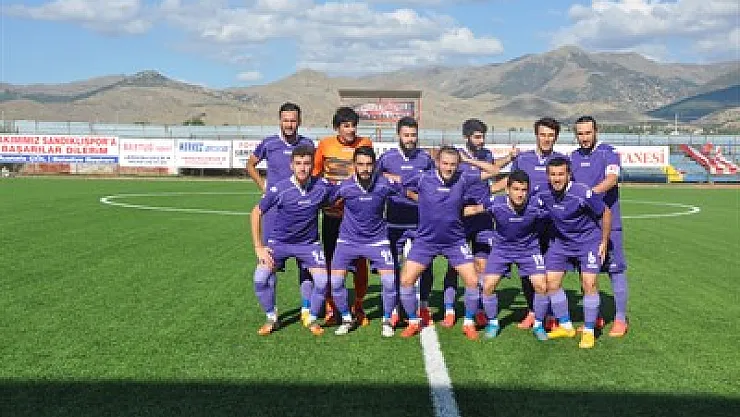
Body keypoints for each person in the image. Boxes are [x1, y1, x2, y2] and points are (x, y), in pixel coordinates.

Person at [398, 146, 502, 341]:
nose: (449, 168)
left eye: (453, 164)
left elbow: (494, 171)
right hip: (426, 240)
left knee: (472, 281)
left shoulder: (463, 177)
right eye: (445, 163)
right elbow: (400, 183)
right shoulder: (423, 178)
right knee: (406, 281)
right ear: (437, 163)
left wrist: (468, 161)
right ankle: (413, 321)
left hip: (454, 241)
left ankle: (468, 322)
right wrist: (417, 198)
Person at [249, 146, 338, 337]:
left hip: (308, 245)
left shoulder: (321, 186)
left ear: (312, 165)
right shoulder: (280, 188)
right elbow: (256, 212)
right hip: (279, 243)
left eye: (306, 163)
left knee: (322, 281)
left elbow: (343, 192)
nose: (302, 168)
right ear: (291, 165)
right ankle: (271, 317)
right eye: (298, 163)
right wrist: (258, 247)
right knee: (260, 279)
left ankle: (311, 318)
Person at [246, 102, 316, 325]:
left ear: (299, 121)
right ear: (280, 121)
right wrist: (263, 186)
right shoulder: (269, 143)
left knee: (305, 265)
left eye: (293, 120)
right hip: (275, 214)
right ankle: (272, 313)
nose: (289, 124)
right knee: (270, 263)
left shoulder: (307, 144)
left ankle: (306, 309)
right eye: (285, 120)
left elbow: (313, 172)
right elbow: (250, 165)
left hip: (302, 212)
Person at [441, 119, 516, 328]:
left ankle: (480, 309)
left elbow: (493, 169)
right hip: (460, 217)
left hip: (483, 218)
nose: (481, 141)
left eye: (483, 137)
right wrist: (465, 160)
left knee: (482, 265)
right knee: (455, 266)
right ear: (466, 137)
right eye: (477, 137)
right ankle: (449, 309)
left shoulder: (486, 155)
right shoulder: (455, 157)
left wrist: (508, 158)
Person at [463, 169, 550, 341]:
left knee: (541, 286)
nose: (520, 194)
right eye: (516, 189)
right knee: (488, 286)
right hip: (502, 250)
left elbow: (557, 214)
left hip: (529, 249)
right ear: (507, 189)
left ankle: (539, 324)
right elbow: (473, 209)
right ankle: (493, 323)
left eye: (524, 190)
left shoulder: (537, 204)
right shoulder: (496, 203)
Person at [330, 146, 404, 337]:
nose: (365, 168)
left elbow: (408, 191)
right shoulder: (345, 186)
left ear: (375, 165)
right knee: (336, 282)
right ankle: (347, 318)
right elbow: (325, 200)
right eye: (360, 164)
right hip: (348, 240)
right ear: (354, 165)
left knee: (389, 281)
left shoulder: (384, 184)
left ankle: (387, 319)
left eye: (369, 164)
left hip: (377, 241)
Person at [538, 157, 612, 349]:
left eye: (561, 174)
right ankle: (566, 326)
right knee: (551, 283)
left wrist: (604, 241)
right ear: (547, 176)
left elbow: (605, 212)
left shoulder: (582, 193)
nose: (557, 178)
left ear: (568, 175)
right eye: (553, 174)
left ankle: (589, 331)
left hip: (588, 242)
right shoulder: (542, 192)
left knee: (589, 283)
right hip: (561, 243)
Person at [503, 117, 567, 330]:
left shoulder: (562, 161)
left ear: (556, 137)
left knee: (551, 270)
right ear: (536, 135)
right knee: (527, 269)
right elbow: (511, 185)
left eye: (551, 135)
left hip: (553, 225)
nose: (546, 139)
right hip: (527, 225)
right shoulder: (523, 160)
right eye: (543, 134)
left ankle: (549, 313)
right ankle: (533, 311)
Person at [313, 107, 373, 326]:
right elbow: (316, 175)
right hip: (332, 216)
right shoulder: (325, 145)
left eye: (353, 125)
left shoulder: (365, 143)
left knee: (359, 262)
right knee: (331, 261)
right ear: (336, 127)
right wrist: (324, 197)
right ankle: (332, 308)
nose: (351, 130)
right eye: (346, 126)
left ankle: (358, 306)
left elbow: (369, 174)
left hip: (356, 217)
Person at [570, 116, 629, 337]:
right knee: (586, 272)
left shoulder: (608, 153)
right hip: (584, 226)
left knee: (615, 270)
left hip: (608, 223)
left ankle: (620, 319)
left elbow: (612, 179)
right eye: (580, 134)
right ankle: (594, 317)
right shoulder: (573, 157)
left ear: (596, 131)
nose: (584, 137)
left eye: (588, 133)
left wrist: (588, 194)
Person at [376, 116, 435, 327]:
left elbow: (433, 184)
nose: (410, 139)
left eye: (413, 135)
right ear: (398, 135)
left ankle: (424, 306)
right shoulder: (387, 159)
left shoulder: (425, 159)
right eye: (406, 135)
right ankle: (393, 308)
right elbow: (375, 181)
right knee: (392, 266)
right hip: (394, 221)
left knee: (425, 266)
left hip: (420, 222)